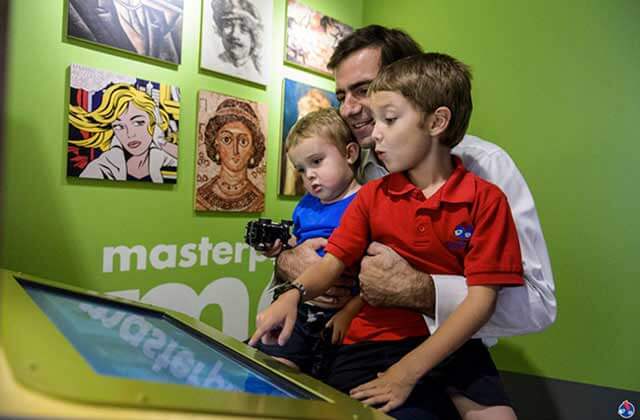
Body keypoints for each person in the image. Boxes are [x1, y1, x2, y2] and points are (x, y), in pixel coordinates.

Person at [251, 52, 523, 420]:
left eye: (389, 119)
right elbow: (333, 262)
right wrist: (294, 295)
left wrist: (406, 372)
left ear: (437, 121)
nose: (374, 132)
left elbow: (481, 301)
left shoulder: (486, 199)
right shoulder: (372, 195)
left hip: (454, 343)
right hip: (373, 343)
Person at [275, 24, 556, 343]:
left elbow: (538, 305)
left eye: (363, 90)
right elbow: (308, 241)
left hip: (447, 361)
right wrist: (287, 260)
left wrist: (422, 290)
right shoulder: (347, 169)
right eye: (342, 96)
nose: (348, 109)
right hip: (347, 348)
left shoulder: (486, 167)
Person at [254, 107, 363, 374]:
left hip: (347, 314)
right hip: (301, 309)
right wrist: (281, 249)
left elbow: (374, 272)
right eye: (301, 169)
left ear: (350, 154)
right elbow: (297, 245)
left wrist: (349, 312)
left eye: (317, 161)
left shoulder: (367, 201)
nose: (309, 175)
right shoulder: (305, 206)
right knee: (270, 369)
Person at [69, 83, 179, 183]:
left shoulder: (163, 159)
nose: (130, 134)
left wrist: (162, 143)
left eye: (138, 123)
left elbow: (189, 167)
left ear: (152, 122)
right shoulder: (101, 168)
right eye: (119, 126)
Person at [197, 98, 265, 212]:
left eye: (243, 141)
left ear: (253, 148)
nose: (235, 150)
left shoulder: (260, 203)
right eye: (227, 139)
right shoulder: (200, 198)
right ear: (216, 144)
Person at [211, 0, 263, 79]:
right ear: (220, 30)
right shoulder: (214, 63)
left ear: (254, 38)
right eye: (228, 24)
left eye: (244, 28)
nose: (234, 34)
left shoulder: (257, 74)